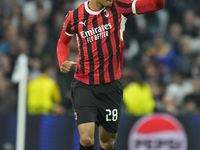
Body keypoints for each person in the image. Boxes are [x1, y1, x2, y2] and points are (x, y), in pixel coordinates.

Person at [57, 0, 165, 149]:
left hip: (110, 86)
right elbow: (63, 42)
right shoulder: (75, 16)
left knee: (107, 143)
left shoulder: (120, 7)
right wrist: (62, 61)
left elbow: (157, 4)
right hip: (84, 84)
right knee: (87, 138)